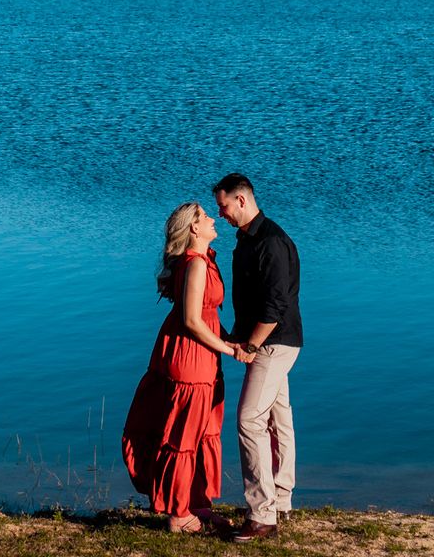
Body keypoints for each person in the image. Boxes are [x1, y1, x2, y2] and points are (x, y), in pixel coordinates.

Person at [120, 202, 246, 534]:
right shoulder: (195, 265)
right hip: (191, 355)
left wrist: (228, 337)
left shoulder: (202, 261)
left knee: (202, 430)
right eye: (206, 217)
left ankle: (197, 505)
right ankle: (179, 514)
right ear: (193, 228)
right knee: (184, 434)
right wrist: (229, 348)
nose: (213, 219)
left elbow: (204, 316)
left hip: (199, 352)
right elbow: (192, 320)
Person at [213, 172, 302, 543]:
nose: (221, 215)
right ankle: (280, 499)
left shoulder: (272, 242)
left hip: (274, 343)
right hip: (264, 340)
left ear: (242, 200)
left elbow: (275, 305)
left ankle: (262, 514)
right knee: (277, 419)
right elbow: (253, 299)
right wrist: (236, 334)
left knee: (249, 419)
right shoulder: (247, 240)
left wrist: (250, 345)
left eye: (224, 207)